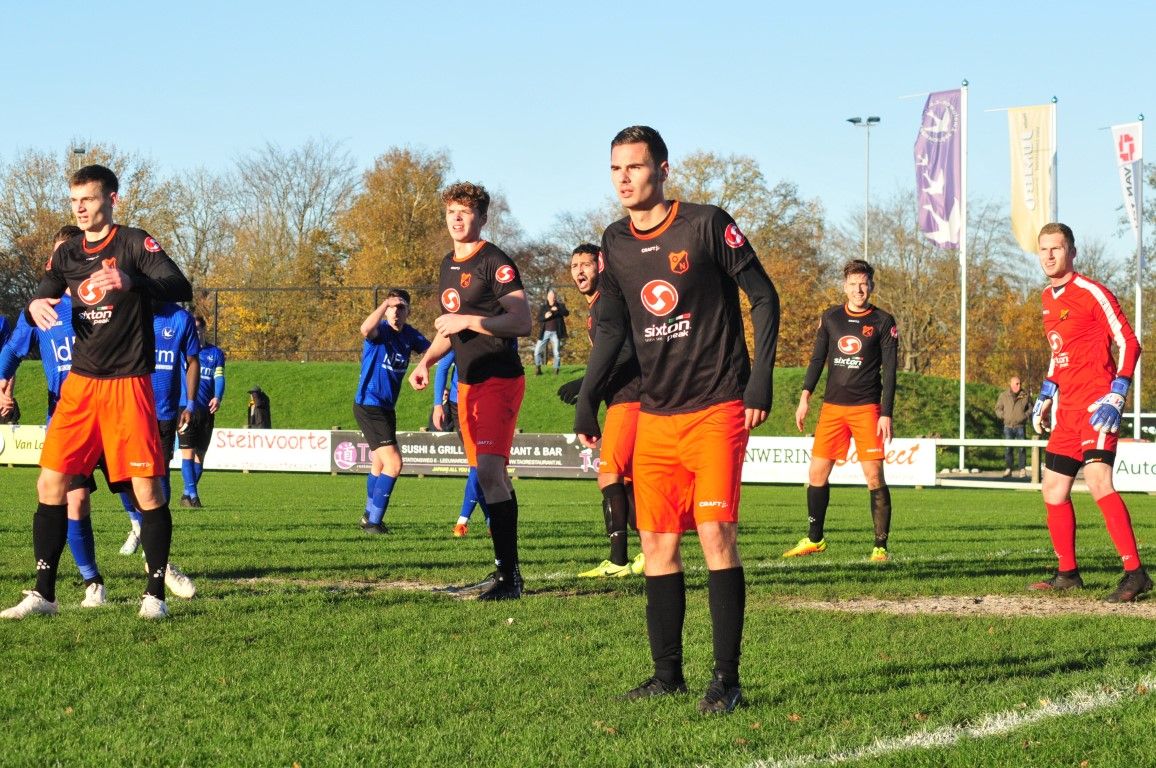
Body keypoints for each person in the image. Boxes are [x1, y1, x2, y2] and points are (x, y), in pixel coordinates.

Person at [574, 126, 780, 714]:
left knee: (716, 536)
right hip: (656, 415)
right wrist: (591, 394)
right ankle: (667, 675)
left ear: (662, 169)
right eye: (615, 169)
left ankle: (728, 681)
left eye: (635, 167)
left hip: (717, 406)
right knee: (658, 543)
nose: (624, 178)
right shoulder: (613, 243)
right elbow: (612, 328)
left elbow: (764, 298)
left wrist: (760, 379)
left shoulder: (707, 224)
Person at [0, 165, 192, 620]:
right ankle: (44, 594)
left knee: (147, 489)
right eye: (74, 201)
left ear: (112, 200)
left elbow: (180, 286)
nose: (80, 208)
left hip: (128, 383)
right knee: (50, 482)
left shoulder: (134, 243)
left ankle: (154, 596)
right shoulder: (66, 253)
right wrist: (32, 303)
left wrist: (134, 282)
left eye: (88, 199)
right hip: (80, 386)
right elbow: (43, 296)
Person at [409, 181, 532, 600]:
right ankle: (506, 574)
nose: (457, 219)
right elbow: (448, 328)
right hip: (468, 384)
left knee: (491, 475)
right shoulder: (447, 263)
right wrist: (426, 361)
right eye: (450, 212)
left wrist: (470, 322)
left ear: (482, 217)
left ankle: (507, 578)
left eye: (465, 212)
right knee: (490, 477)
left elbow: (520, 321)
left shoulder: (495, 262)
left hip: (498, 379)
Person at [1028, 222, 1151, 603]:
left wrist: (1118, 391)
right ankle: (1067, 573)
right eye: (1043, 249)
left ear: (1072, 252)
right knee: (1053, 488)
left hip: (1098, 405)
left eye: (1057, 249)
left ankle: (1135, 573)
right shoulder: (1048, 298)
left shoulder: (1092, 292)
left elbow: (1130, 343)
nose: (1049, 256)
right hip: (1067, 411)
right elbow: (1058, 351)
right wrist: (1048, 390)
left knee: (1098, 481)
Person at [0, 225, 109, 609]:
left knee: (144, 497)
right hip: (66, 420)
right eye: (61, 257)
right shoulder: (41, 311)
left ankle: (160, 572)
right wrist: (4, 382)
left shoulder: (102, 305)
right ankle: (86, 583)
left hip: (112, 414)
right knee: (70, 498)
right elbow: (11, 351)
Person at [784, 260, 899, 562]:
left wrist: (886, 413)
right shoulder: (831, 317)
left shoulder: (884, 322)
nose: (859, 289)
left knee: (874, 476)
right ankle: (814, 539)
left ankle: (880, 547)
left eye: (864, 284)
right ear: (844, 286)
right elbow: (816, 359)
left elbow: (890, 374)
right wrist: (805, 396)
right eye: (853, 284)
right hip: (832, 408)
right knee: (817, 473)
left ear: (871, 285)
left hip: (867, 409)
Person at [559, 243, 645, 578]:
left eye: (586, 264)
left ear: (601, 266)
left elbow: (624, 353)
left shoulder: (607, 303)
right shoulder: (601, 306)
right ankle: (648, 552)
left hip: (630, 399)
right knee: (629, 480)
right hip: (629, 398)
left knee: (609, 476)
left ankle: (619, 559)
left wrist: (586, 386)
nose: (579, 271)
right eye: (574, 265)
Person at [115, 300, 201, 604]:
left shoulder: (180, 318)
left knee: (157, 482)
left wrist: (189, 403)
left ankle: (158, 561)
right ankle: (137, 527)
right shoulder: (126, 309)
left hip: (163, 415)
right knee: (119, 478)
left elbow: (192, 360)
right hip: (125, 410)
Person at [353, 289, 431, 533]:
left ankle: (368, 515)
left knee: (378, 464)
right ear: (385, 310)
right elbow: (366, 329)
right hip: (369, 404)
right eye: (392, 307)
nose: (396, 312)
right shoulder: (380, 332)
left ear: (408, 311)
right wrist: (385, 302)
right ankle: (374, 522)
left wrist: (423, 367)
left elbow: (433, 350)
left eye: (401, 307)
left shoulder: (410, 335)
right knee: (395, 464)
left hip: (386, 407)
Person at [433, 350, 491, 538]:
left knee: (483, 465)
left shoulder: (495, 331)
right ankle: (462, 522)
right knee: (479, 463)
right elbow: (442, 367)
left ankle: (491, 521)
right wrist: (437, 405)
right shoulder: (460, 335)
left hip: (486, 402)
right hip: (461, 404)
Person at [179, 316, 225, 508]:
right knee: (187, 453)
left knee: (200, 456)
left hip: (206, 412)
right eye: (193, 328)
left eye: (199, 328)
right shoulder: (183, 351)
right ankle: (194, 497)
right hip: (186, 409)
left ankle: (186, 494)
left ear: (204, 330)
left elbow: (220, 377)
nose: (196, 332)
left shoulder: (216, 353)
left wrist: (218, 396)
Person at [995, 376, 1030, 478]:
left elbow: (1031, 408)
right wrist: (1003, 416)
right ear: (1011, 384)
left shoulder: (1025, 395)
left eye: (1020, 384)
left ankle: (1022, 470)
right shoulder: (1003, 395)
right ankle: (1009, 469)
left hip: (1020, 426)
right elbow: (998, 409)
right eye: (1017, 384)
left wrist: (1025, 416)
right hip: (1008, 426)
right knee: (1008, 448)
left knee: (1022, 448)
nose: (1019, 386)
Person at [533, 288, 568, 375]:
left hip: (556, 333)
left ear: (555, 297)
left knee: (557, 353)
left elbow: (566, 313)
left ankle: (556, 371)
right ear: (547, 297)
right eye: (550, 296)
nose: (551, 297)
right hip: (545, 333)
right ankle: (538, 369)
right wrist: (545, 316)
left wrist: (558, 310)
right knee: (536, 352)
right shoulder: (543, 307)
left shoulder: (560, 306)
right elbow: (539, 319)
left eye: (553, 296)